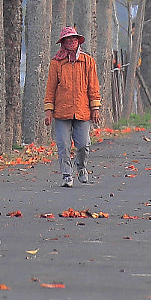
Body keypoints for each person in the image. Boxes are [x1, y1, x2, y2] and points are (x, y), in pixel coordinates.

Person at [44, 26, 102, 187]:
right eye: (68, 40)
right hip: (62, 112)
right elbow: (50, 89)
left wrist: (95, 108)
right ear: (63, 43)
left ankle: (81, 168)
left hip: (83, 111)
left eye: (74, 39)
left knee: (83, 144)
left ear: (78, 42)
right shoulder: (56, 63)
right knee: (63, 145)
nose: (71, 43)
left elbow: (93, 87)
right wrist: (49, 111)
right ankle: (66, 175)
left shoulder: (88, 61)